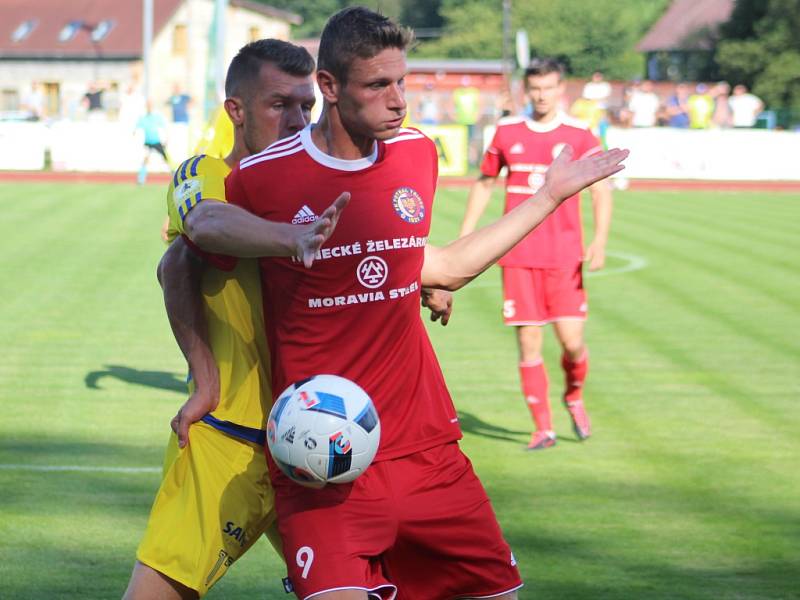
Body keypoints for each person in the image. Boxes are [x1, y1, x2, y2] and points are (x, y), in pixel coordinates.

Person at [183, 8, 627, 599]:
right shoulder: (265, 176)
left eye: (402, 82)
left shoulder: (417, 154)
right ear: (331, 88)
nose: (398, 100)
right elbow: (194, 238)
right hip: (324, 462)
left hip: (429, 452)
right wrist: (208, 373)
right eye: (378, 85)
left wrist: (547, 196)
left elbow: (439, 265)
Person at [123, 39, 333, 600]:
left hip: (322, 440)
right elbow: (188, 250)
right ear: (236, 111)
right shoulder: (208, 174)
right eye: (279, 105)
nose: (296, 121)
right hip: (227, 438)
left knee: (368, 589)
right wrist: (206, 378)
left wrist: (426, 283)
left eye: (306, 107)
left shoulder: (320, 187)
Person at [460, 58, 613, 452]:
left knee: (572, 343)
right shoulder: (507, 131)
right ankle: (542, 428)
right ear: (526, 90)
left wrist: (600, 239)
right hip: (519, 257)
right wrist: (466, 232)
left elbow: (601, 188)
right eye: (535, 89)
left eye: (549, 88)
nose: (542, 95)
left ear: (561, 89)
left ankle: (574, 396)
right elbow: (485, 181)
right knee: (529, 343)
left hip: (564, 256)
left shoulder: (579, 134)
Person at [134, 101, 172, 184]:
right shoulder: (143, 118)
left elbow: (164, 128)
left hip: (157, 141)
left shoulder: (157, 117)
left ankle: (174, 175)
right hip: (148, 142)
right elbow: (136, 129)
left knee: (166, 158)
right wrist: (135, 136)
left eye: (150, 105)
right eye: (148, 105)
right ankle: (141, 178)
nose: (149, 107)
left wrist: (166, 139)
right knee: (145, 159)